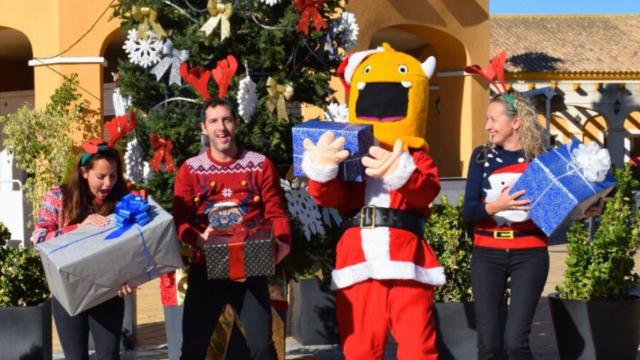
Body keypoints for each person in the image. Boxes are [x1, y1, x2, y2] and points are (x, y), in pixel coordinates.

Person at [463, 92, 603, 359]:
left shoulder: (542, 160)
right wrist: (497, 206)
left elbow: (553, 212)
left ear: (515, 122)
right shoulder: (481, 158)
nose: (487, 126)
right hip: (487, 255)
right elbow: (470, 210)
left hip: (529, 255)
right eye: (486, 120)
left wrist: (583, 211)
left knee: (516, 343)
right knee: (489, 344)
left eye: (493, 119)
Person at [173, 98, 291, 360]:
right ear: (204, 127)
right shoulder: (190, 170)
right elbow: (180, 220)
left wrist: (281, 245)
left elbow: (275, 211)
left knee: (262, 346)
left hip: (250, 270)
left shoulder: (260, 164)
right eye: (214, 121)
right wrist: (196, 239)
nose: (221, 127)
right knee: (192, 348)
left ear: (235, 123)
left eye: (226, 119)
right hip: (206, 271)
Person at [32, 139, 131, 360]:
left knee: (109, 356)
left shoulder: (122, 202)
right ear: (85, 172)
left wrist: (128, 275)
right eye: (101, 177)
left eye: (113, 176)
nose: (107, 184)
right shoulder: (58, 197)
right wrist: (78, 228)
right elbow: (39, 239)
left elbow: (130, 248)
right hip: (68, 292)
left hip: (108, 292)